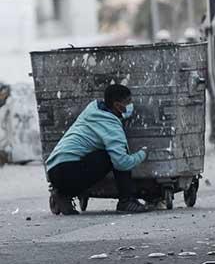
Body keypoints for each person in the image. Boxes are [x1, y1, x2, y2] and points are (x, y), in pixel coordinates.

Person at [46, 84, 148, 215]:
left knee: (106, 154)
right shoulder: (111, 126)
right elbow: (122, 163)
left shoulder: (93, 109)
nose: (131, 105)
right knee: (115, 155)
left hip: (53, 170)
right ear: (117, 106)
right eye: (128, 102)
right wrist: (142, 154)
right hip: (68, 172)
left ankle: (63, 194)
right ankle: (126, 200)